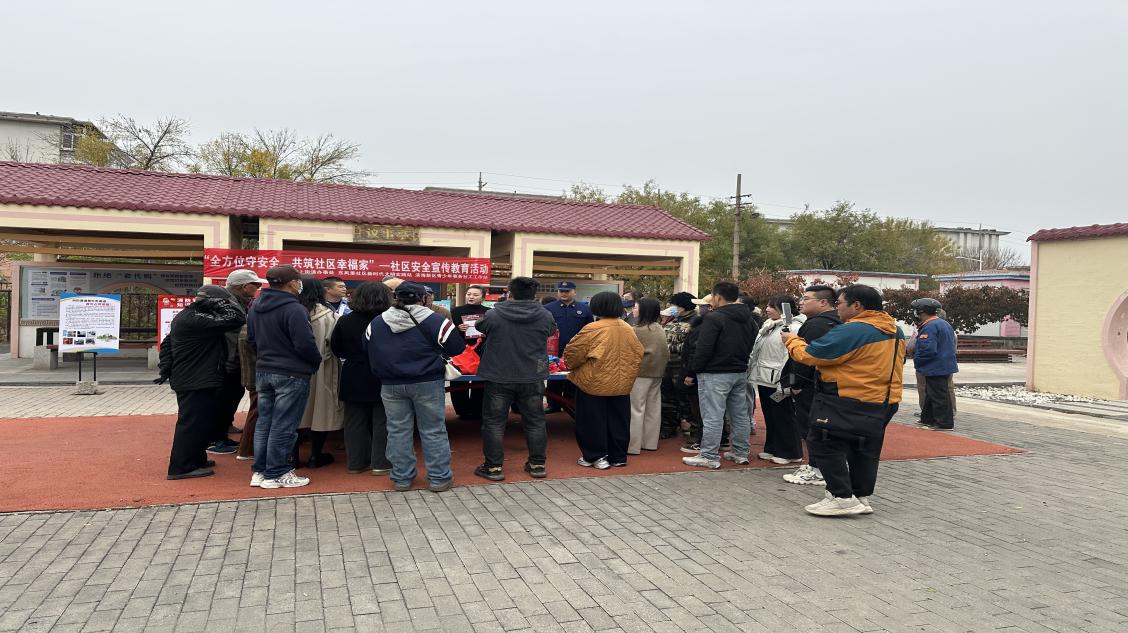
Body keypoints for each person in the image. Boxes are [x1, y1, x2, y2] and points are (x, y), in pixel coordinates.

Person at [783, 284, 905, 516]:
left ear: (856, 305)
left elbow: (813, 355)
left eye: (839, 303)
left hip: (847, 398)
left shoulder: (854, 330)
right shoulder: (894, 329)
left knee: (823, 442)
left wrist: (791, 341)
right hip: (883, 399)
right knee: (864, 449)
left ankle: (841, 497)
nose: (836, 308)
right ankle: (860, 496)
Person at [366, 281, 466, 492]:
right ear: (423, 298)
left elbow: (366, 347)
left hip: (390, 384)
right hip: (427, 381)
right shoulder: (436, 320)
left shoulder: (377, 322)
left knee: (397, 431)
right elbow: (457, 347)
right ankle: (439, 478)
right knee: (433, 430)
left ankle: (401, 478)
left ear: (396, 298)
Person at [472, 276, 558, 481]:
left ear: (510, 293)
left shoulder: (494, 313)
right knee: (535, 421)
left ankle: (493, 467)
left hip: (499, 375)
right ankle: (537, 464)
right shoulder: (544, 314)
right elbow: (551, 331)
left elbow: (479, 327)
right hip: (532, 375)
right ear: (534, 294)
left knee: (494, 422)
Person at [247, 265, 323, 489]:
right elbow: (305, 344)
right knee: (285, 425)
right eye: (298, 280)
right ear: (292, 283)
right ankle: (277, 472)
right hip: (291, 373)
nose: (300, 284)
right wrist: (314, 362)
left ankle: (260, 471)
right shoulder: (294, 309)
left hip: (264, 369)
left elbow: (251, 339)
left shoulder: (256, 306)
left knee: (265, 423)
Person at [158, 289, 246, 480]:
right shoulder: (194, 319)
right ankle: (181, 467)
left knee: (201, 422)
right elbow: (237, 318)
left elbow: (167, 343)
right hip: (194, 378)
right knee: (191, 423)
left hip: (195, 376)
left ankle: (196, 459)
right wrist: (221, 302)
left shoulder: (190, 317)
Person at [564, 292, 644, 469]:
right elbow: (638, 354)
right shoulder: (627, 328)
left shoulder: (593, 328)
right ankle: (618, 456)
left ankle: (596, 456)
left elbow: (573, 353)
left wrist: (573, 366)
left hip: (594, 382)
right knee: (619, 420)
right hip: (621, 383)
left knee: (591, 421)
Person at [682, 282, 757, 469]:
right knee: (740, 415)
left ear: (717, 297)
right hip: (739, 370)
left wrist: (695, 370)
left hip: (714, 373)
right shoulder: (749, 318)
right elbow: (751, 343)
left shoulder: (714, 318)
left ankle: (709, 455)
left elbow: (704, 347)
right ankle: (740, 452)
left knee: (712, 415)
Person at [330, 281, 395, 475]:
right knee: (383, 420)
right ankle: (381, 463)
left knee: (354, 421)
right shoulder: (389, 320)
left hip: (354, 372)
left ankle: (356, 463)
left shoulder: (345, 320)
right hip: (383, 373)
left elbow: (336, 348)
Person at [781, 285, 842, 486]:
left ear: (823, 302)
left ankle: (818, 469)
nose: (801, 302)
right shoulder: (836, 322)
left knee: (812, 428)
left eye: (806, 298)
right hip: (826, 384)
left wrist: (796, 382)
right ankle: (817, 466)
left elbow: (806, 357)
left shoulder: (817, 325)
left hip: (811, 385)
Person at [748, 295, 805, 465]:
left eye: (772, 306)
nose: (767, 309)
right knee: (771, 415)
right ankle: (772, 447)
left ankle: (791, 452)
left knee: (784, 415)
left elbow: (793, 357)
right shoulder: (769, 325)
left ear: (784, 309)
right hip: (765, 378)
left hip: (780, 380)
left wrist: (789, 381)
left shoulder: (793, 327)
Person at [297, 277, 344, 467]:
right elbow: (337, 345)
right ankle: (315, 456)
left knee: (294, 411)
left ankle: (292, 457)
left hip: (296, 369)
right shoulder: (329, 316)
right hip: (324, 368)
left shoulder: (293, 311)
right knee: (321, 410)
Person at [628, 298, 670, 454]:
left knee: (636, 409)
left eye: (636, 307)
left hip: (640, 373)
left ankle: (632, 446)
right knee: (653, 408)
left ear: (643, 311)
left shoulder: (635, 330)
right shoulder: (659, 328)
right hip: (657, 373)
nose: (633, 310)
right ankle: (650, 443)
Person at [544, 281, 594, 413]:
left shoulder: (585, 309)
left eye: (567, 291)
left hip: (576, 351)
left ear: (574, 292)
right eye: (561, 291)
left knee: (573, 379)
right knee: (554, 380)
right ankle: (553, 405)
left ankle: (570, 404)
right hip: (554, 351)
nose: (564, 293)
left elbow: (590, 330)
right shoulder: (548, 308)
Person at [911, 297, 958, 430]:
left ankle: (944, 423)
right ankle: (927, 419)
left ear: (922, 311)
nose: (915, 313)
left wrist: (918, 362)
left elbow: (927, 349)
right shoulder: (943, 323)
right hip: (943, 365)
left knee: (938, 395)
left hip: (935, 366)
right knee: (931, 393)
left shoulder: (930, 326)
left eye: (916, 310)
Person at [660, 292, 699, 442]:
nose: (671, 307)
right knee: (668, 400)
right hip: (668, 368)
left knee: (687, 401)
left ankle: (694, 431)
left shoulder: (695, 322)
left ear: (682, 307)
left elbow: (691, 347)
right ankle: (669, 428)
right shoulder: (673, 320)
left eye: (673, 305)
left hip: (682, 368)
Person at [450, 285, 490, 420]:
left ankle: (477, 410)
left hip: (482, 349)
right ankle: (462, 410)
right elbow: (449, 331)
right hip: (462, 350)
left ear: (483, 298)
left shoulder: (489, 312)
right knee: (459, 379)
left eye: (475, 295)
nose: (471, 297)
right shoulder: (456, 311)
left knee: (480, 380)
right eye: (469, 294)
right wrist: (458, 328)